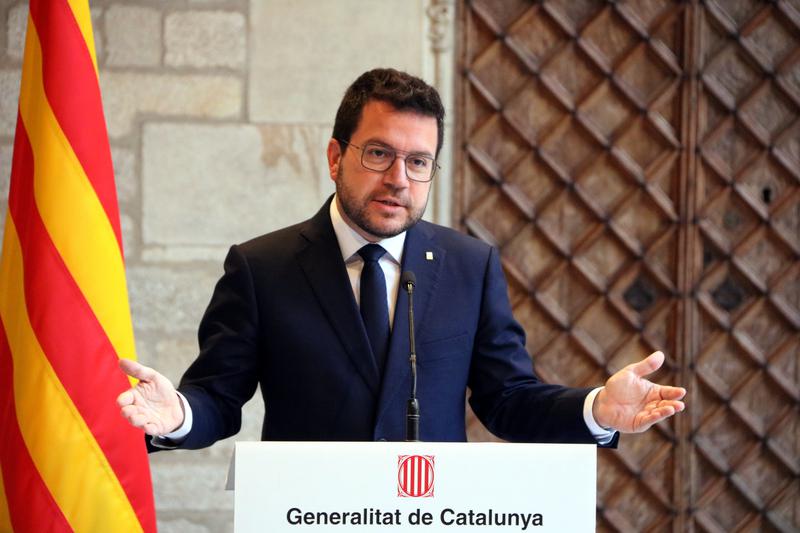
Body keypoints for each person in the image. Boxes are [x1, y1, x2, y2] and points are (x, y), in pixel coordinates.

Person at [117, 68, 685, 449]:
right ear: (336, 156)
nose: (398, 179)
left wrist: (596, 410)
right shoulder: (262, 268)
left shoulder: (470, 266)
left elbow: (507, 399)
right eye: (380, 153)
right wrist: (179, 417)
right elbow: (218, 396)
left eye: (419, 162)